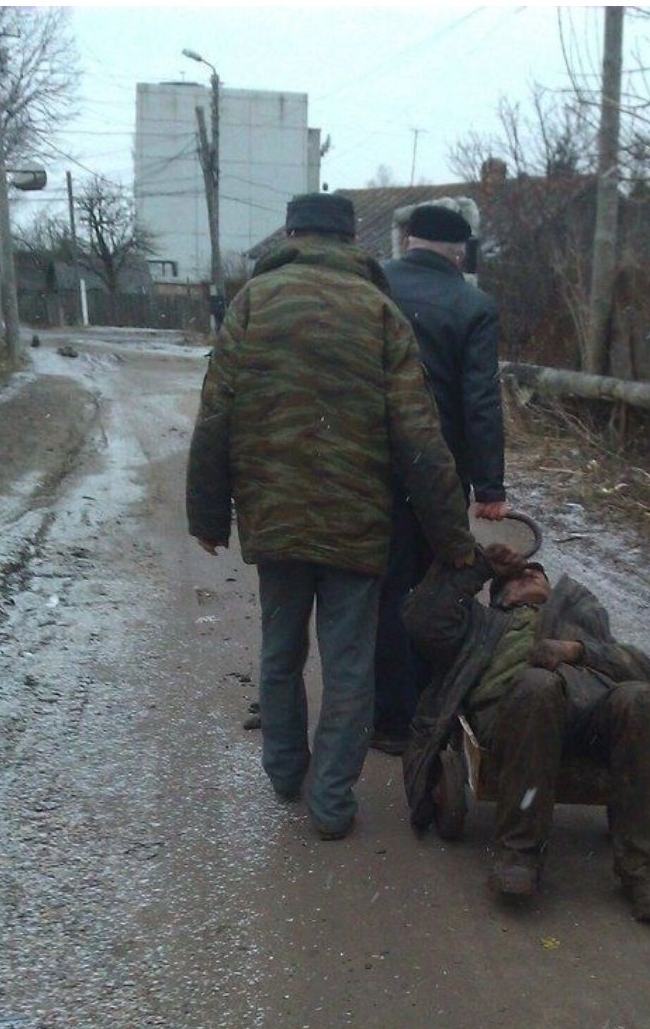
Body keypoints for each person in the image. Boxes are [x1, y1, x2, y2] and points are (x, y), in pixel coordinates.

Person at [186, 192, 474, 840]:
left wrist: (209, 515)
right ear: (351, 243)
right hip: (358, 522)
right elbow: (420, 438)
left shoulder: (252, 305)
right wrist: (453, 539)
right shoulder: (381, 312)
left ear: (290, 232)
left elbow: (216, 415)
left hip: (275, 516)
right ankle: (332, 802)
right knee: (349, 664)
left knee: (281, 649)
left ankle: (286, 771)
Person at [401, 544, 650, 924]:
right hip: (514, 715)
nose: (529, 573)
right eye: (517, 576)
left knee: (642, 699)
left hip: (587, 711)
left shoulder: (582, 628)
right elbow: (421, 620)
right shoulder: (481, 623)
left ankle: (649, 875)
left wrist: (576, 651)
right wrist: (479, 567)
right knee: (538, 686)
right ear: (501, 597)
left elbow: (648, 671)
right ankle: (519, 854)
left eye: (537, 572)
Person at [371, 201, 508, 756]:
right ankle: (427, 707)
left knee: (380, 590)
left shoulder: (373, 289)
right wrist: (490, 487)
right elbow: (480, 401)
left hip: (372, 464)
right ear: (459, 253)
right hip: (438, 472)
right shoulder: (473, 305)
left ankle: (384, 717)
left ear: (408, 241)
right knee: (431, 590)